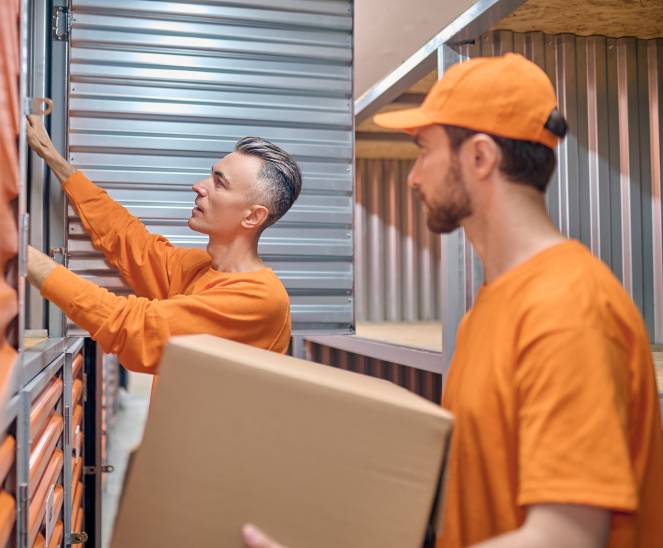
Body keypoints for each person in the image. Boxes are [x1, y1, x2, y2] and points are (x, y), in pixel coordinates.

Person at [242, 53, 663, 548]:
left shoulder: (568, 308)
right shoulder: (492, 306)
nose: (413, 177)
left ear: (480, 158)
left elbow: (565, 536)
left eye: (424, 150)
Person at [25, 116, 302, 374]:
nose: (198, 186)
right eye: (210, 175)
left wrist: (22, 254)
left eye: (220, 183)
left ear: (253, 216)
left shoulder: (261, 299)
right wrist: (53, 158)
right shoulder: (198, 268)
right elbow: (127, 238)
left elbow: (133, 329)